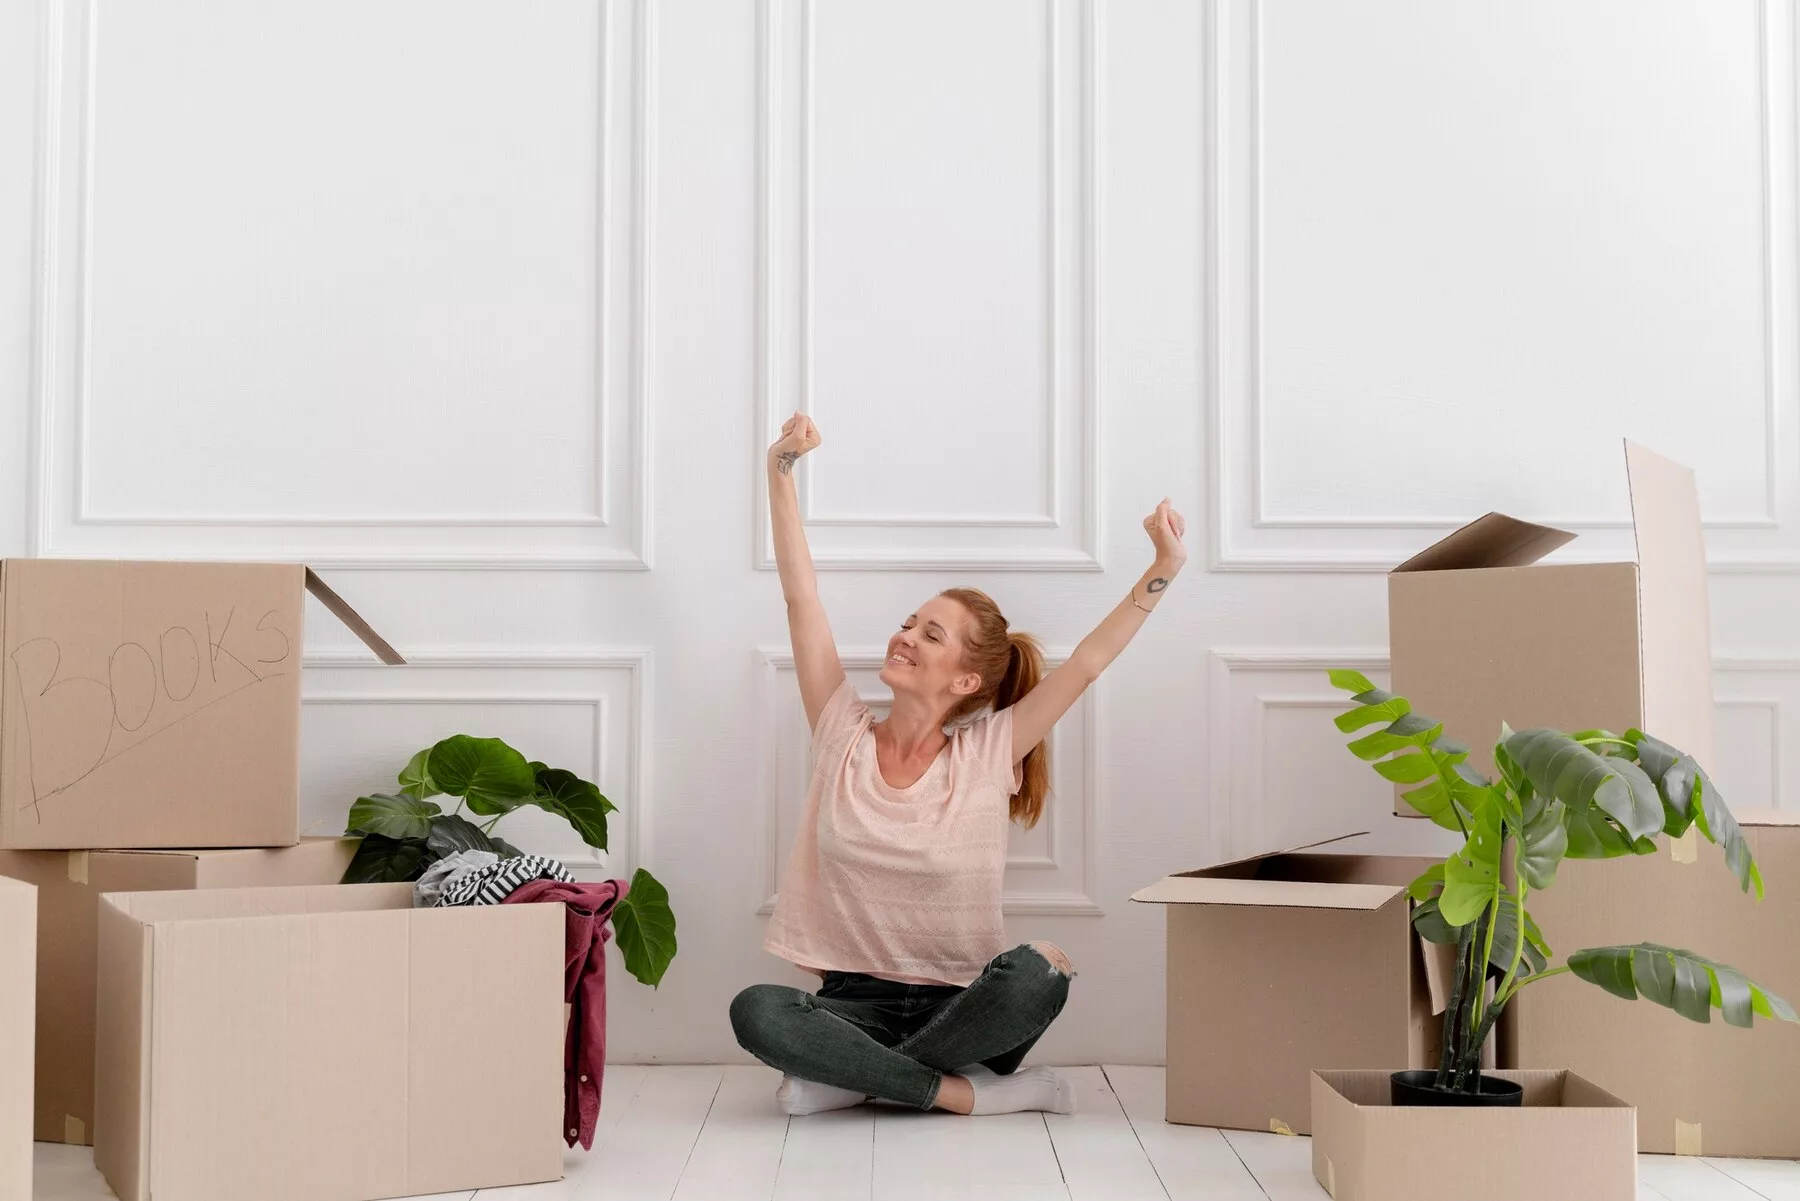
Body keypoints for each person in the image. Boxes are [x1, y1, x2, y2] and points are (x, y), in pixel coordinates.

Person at [730, 412, 1187, 1117]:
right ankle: (962, 1092)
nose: (903, 634)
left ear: (966, 681)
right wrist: (779, 469)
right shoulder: (839, 731)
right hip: (854, 1009)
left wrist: (1163, 569)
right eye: (909, 621)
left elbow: (1090, 664)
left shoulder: (988, 753)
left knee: (1039, 972)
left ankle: (852, 1079)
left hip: (964, 1009)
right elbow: (802, 598)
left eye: (929, 633)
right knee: (758, 1009)